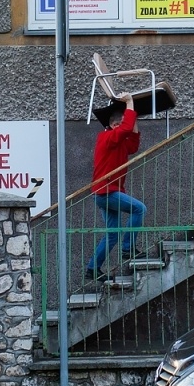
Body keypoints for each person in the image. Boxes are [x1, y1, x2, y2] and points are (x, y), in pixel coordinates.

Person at [86, 92, 147, 280]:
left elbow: (133, 145)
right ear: (114, 125)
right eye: (121, 124)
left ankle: (93, 268)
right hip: (106, 191)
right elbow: (126, 128)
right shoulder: (106, 137)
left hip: (106, 192)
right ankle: (128, 248)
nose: (125, 128)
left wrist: (133, 115)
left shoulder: (119, 143)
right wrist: (129, 102)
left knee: (112, 234)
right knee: (139, 209)